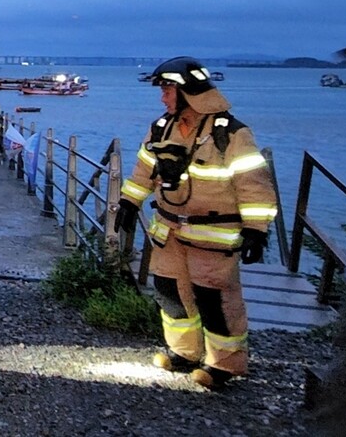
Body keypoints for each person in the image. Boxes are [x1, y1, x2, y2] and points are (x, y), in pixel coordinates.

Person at [116, 56, 278, 389]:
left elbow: (254, 183)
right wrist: (129, 202)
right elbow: (144, 169)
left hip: (213, 236)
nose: (162, 97)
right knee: (169, 293)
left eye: (167, 89)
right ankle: (183, 353)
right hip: (169, 230)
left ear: (187, 90)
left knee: (215, 300)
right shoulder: (162, 127)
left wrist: (256, 230)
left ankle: (224, 364)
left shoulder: (232, 134)